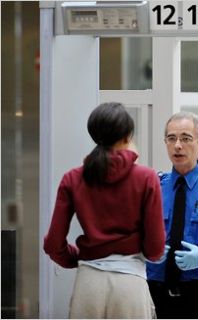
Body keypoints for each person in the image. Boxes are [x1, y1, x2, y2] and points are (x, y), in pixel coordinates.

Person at [43, 102, 166, 318]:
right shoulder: (147, 178)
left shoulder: (73, 178)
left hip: (88, 284)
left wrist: (78, 257)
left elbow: (53, 243)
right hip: (130, 284)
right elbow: (155, 249)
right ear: (128, 136)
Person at [146, 111, 198, 319]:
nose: (177, 146)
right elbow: (132, 236)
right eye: (171, 138)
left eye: (185, 138)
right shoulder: (152, 187)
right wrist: (146, 253)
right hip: (154, 292)